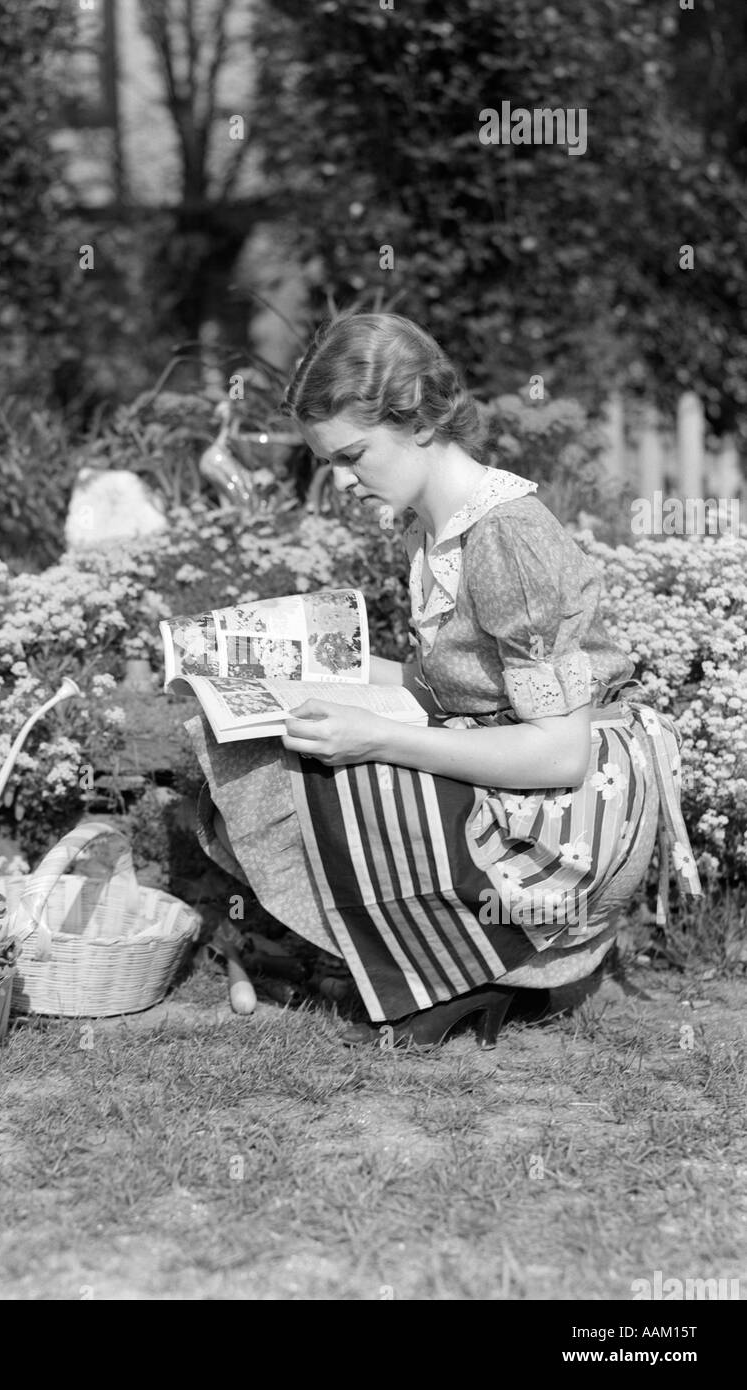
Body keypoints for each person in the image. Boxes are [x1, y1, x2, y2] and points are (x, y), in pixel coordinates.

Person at [186, 313, 702, 1048]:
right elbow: (462, 689)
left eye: (353, 454)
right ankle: (444, 963)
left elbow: (561, 753)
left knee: (321, 764)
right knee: (275, 725)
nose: (339, 481)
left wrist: (378, 736)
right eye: (328, 460)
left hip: (577, 810)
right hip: (519, 763)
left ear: (420, 420)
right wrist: (301, 665)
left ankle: (482, 963)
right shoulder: (438, 528)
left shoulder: (507, 536)